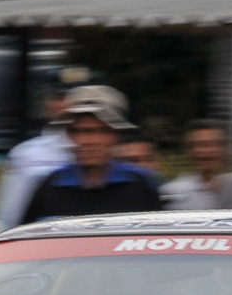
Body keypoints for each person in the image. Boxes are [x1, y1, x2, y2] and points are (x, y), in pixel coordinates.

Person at [18, 87, 163, 223]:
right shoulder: (51, 186)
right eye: (78, 131)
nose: (87, 141)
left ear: (116, 135)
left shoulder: (139, 184)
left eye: (100, 131)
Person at [0, 84, 73, 227]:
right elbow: (10, 214)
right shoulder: (26, 154)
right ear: (46, 102)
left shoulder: (107, 151)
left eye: (70, 98)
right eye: (57, 98)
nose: (65, 104)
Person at [161, 119, 229, 210]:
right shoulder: (172, 191)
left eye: (213, 144)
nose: (206, 151)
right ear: (188, 151)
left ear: (225, 149)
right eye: (199, 145)